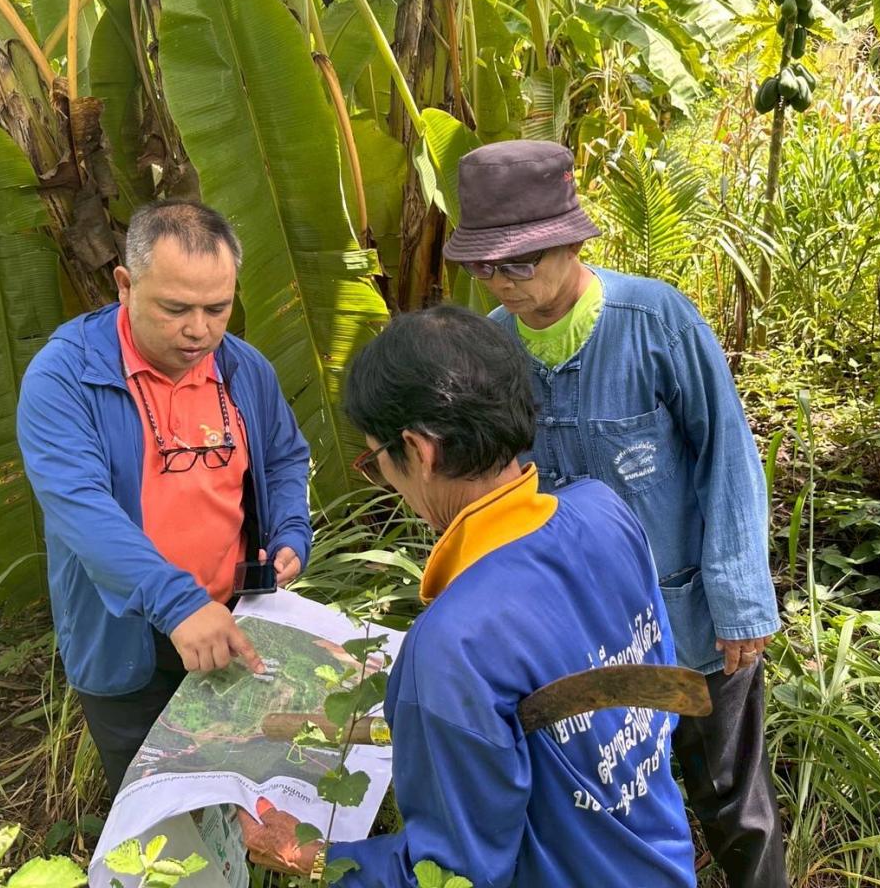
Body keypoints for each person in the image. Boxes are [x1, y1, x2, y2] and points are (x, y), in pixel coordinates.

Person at [237, 306, 697, 887]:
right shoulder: (605, 513)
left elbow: (453, 875)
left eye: (378, 462)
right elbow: (643, 689)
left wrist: (309, 855)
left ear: (420, 451)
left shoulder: (452, 644)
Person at [442, 140, 786, 887]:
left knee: (732, 800)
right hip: (579, 642)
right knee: (616, 797)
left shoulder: (655, 321)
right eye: (484, 267)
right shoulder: (496, 349)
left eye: (517, 265)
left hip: (689, 622)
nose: (500, 284)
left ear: (569, 242)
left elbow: (727, 451)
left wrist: (739, 599)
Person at [17, 199, 312, 795]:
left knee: (241, 784)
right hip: (130, 632)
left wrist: (289, 530)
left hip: (233, 620)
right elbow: (82, 509)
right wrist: (179, 605)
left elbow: (284, 457)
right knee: (156, 806)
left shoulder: (242, 368)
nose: (199, 329)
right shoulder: (65, 377)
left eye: (217, 308)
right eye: (175, 308)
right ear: (125, 285)